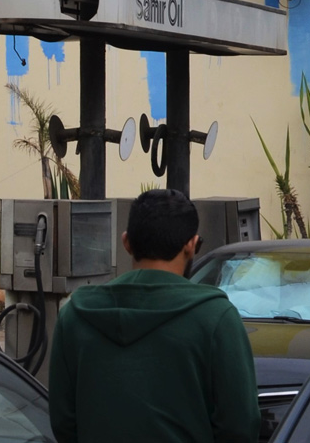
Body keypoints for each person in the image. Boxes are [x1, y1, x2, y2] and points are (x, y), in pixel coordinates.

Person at [49, 190, 259, 443]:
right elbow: (240, 426)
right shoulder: (216, 317)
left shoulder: (74, 315)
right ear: (191, 245)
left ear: (126, 242)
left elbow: (63, 421)